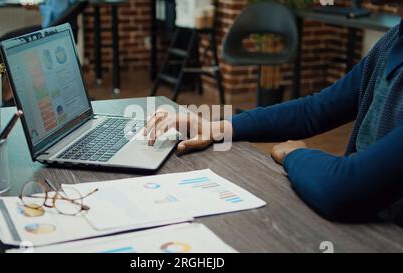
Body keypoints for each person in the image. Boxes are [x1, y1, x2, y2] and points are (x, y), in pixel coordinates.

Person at [144, 0, 403, 225]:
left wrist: (294, 153)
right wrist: (216, 128)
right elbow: (314, 110)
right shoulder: (393, 41)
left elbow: (344, 189)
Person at [0, 0, 77, 104]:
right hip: (54, 27)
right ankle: (7, 95)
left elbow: (57, 10)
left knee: (1, 43)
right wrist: (38, 6)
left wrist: (38, 6)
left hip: (51, 29)